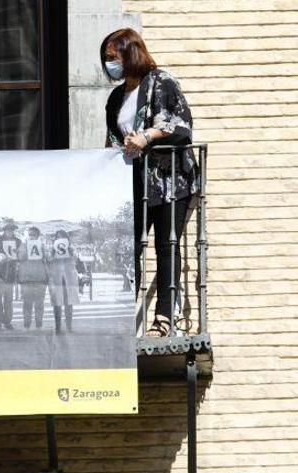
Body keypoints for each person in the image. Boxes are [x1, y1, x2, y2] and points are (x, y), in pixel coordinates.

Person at [101, 28, 197, 337]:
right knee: (127, 248)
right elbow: (112, 139)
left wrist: (146, 136)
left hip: (169, 182)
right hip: (134, 183)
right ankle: (122, 316)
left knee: (166, 246)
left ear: (130, 54)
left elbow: (182, 126)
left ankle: (164, 319)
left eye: (113, 57)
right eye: (106, 59)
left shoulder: (162, 82)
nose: (109, 64)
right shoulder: (116, 97)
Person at [0, 222, 21, 331]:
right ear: (4, 230)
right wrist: (0, 259)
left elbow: (21, 257)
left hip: (10, 275)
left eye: (12, 229)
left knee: (8, 300)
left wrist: (17, 260)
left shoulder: (18, 242)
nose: (10, 231)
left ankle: (7, 322)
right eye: (8, 229)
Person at [47, 230, 81, 333]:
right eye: (58, 237)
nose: (60, 239)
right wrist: (53, 255)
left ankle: (68, 326)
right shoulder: (52, 249)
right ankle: (58, 326)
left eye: (62, 237)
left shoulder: (71, 249)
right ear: (56, 239)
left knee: (68, 302)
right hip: (57, 277)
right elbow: (48, 260)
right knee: (57, 302)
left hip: (68, 277)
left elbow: (76, 259)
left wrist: (70, 252)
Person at [17, 226, 48, 330]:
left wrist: (43, 252)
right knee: (27, 303)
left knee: (39, 303)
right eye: (29, 235)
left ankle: (39, 325)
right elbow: (20, 258)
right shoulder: (23, 246)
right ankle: (26, 325)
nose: (31, 237)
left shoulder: (42, 246)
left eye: (33, 235)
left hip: (40, 278)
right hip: (27, 278)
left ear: (37, 236)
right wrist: (26, 248)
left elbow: (47, 259)